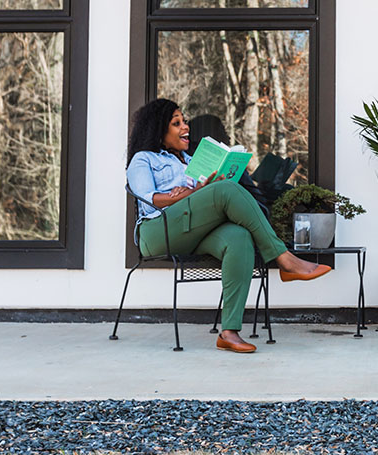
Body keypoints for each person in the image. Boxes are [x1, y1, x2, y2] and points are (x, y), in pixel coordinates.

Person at [126, 99, 331, 354]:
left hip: (192, 229)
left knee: (238, 235)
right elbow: (149, 198)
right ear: (159, 129)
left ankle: (229, 332)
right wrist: (189, 193)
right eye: (176, 123)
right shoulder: (142, 159)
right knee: (225, 190)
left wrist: (205, 186)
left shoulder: (190, 161)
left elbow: (197, 195)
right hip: (159, 230)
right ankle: (285, 259)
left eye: (184, 121)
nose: (185, 127)